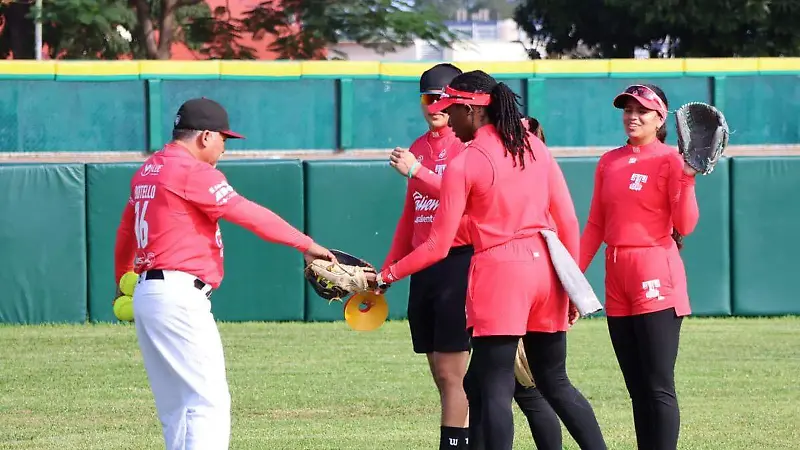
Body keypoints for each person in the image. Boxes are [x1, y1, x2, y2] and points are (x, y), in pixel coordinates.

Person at [368, 70, 607, 450]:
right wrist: (571, 283)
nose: (448, 119)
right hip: (546, 267)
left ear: (471, 110)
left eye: (452, 110)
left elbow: (437, 246)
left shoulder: (469, 160)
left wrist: (388, 275)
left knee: (495, 386)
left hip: (502, 272)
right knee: (546, 381)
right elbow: (568, 219)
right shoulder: (533, 146)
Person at [113, 97, 336, 450]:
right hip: (179, 295)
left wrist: (121, 280)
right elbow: (248, 213)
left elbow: (127, 230)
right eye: (223, 139)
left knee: (177, 408)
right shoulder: (192, 171)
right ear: (204, 136)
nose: (223, 148)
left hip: (148, 293)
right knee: (208, 403)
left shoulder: (149, 168)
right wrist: (306, 244)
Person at [578, 84, 698, 450]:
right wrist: (572, 279)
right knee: (636, 388)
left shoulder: (671, 160)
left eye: (642, 110)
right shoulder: (609, 161)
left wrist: (688, 177)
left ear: (661, 117)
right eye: (628, 109)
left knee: (658, 384)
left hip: (655, 271)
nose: (633, 116)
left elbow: (686, 224)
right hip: (617, 276)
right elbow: (596, 225)